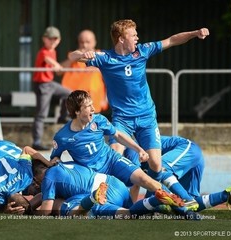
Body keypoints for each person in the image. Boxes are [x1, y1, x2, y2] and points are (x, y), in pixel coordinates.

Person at [68, 19, 209, 190]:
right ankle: (106, 200)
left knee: (156, 165)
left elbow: (171, 40)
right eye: (133, 35)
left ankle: (155, 200)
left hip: (146, 117)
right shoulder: (105, 58)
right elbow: (72, 56)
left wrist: (195, 33)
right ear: (121, 39)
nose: (137, 38)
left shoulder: (143, 51)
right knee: (115, 153)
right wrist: (84, 54)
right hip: (122, 119)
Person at [50, 90, 196, 210]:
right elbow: (54, 160)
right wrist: (56, 161)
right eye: (88, 106)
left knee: (146, 180)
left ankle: (182, 207)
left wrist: (139, 149)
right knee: (118, 205)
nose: (93, 109)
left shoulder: (99, 120)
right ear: (76, 111)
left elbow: (118, 135)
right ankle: (144, 209)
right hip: (95, 174)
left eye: (92, 105)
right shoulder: (62, 137)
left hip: (112, 160)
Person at [125, 135, 231, 214]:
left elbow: (135, 185)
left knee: (163, 170)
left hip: (188, 148)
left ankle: (187, 199)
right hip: (193, 156)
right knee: (189, 205)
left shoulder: (131, 150)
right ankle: (226, 195)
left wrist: (129, 211)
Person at [31, 160, 184, 217]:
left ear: (38, 176)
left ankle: (92, 199)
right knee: (135, 213)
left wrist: (30, 213)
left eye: (35, 182)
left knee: (75, 214)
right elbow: (41, 196)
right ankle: (160, 204)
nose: (37, 185)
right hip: (114, 183)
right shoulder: (63, 165)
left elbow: (47, 210)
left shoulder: (48, 178)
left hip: (101, 194)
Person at [32, 26, 71, 151]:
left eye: (55, 39)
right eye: (50, 39)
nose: (53, 42)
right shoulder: (43, 51)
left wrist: (58, 67)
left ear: (58, 40)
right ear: (44, 39)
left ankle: (63, 116)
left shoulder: (53, 51)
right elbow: (47, 59)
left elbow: (55, 68)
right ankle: (36, 141)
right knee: (41, 114)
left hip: (50, 83)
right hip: (42, 85)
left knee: (69, 93)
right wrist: (56, 65)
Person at [61, 29, 108, 113]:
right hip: (74, 101)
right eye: (81, 42)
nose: (84, 45)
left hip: (94, 102)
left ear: (94, 42)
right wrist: (73, 59)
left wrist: (105, 99)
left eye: (88, 42)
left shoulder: (101, 57)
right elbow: (59, 71)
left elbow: (109, 81)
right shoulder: (74, 56)